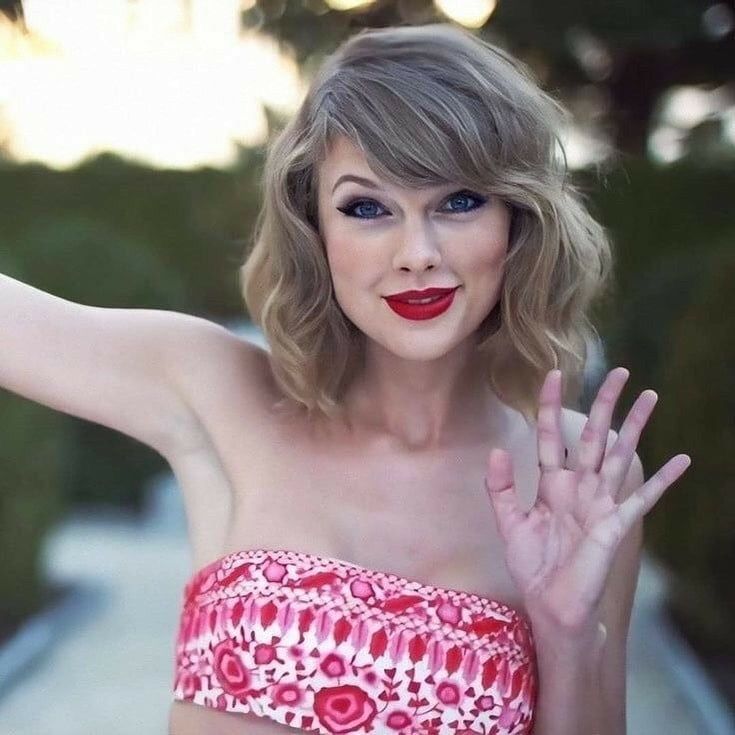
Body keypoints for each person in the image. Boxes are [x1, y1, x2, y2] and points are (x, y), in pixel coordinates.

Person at [0, 22, 691, 735]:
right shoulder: (219, 390)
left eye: (457, 201)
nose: (416, 253)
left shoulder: (575, 471)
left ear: (518, 221)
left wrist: (569, 639)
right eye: (366, 208)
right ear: (315, 232)